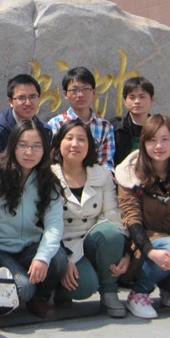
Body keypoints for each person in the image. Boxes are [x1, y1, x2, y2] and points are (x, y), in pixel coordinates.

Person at [115, 114, 170, 318]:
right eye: (152, 140)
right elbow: (131, 218)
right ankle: (139, 293)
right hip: (141, 246)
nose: (158, 146)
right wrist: (151, 252)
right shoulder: (129, 171)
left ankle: (165, 283)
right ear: (143, 142)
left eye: (165, 139)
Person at [0, 119, 67, 318]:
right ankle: (16, 292)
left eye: (36, 146)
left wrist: (42, 257)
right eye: (23, 145)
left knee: (58, 258)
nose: (29, 152)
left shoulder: (48, 181)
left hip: (29, 248)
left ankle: (39, 297)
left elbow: (54, 225)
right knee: (24, 288)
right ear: (13, 146)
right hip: (0, 249)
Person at [50, 119, 129, 318]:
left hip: (93, 240)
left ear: (90, 145)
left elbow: (112, 215)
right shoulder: (48, 176)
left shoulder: (101, 174)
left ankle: (109, 292)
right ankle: (60, 286)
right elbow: (45, 225)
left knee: (111, 232)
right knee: (84, 286)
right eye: (69, 138)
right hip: (64, 245)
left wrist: (125, 251)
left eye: (81, 139)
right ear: (59, 143)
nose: (75, 144)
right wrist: (63, 259)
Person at [48, 67, 116, 173]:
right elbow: (51, 160)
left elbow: (106, 163)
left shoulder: (104, 127)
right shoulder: (56, 124)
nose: (80, 95)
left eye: (85, 89)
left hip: (96, 179)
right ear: (65, 94)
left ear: (94, 92)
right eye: (74, 90)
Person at [0, 74, 52, 163]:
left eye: (33, 97)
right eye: (21, 98)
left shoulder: (45, 130)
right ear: (10, 101)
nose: (28, 103)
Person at [112, 76, 155, 167]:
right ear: (125, 101)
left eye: (142, 97)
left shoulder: (158, 128)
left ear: (151, 100)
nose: (137, 101)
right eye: (132, 97)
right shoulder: (115, 127)